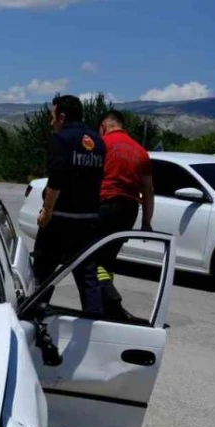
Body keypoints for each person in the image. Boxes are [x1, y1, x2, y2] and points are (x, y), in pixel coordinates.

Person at [33, 95, 108, 315]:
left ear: (62, 117)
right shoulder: (98, 141)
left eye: (52, 117)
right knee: (87, 274)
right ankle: (95, 320)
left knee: (43, 271)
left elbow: (56, 180)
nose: (51, 122)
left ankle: (35, 315)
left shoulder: (61, 139)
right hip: (89, 219)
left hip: (61, 218)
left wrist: (47, 211)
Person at [97, 109, 154, 318]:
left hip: (105, 204)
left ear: (104, 126)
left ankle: (111, 301)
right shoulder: (140, 151)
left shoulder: (102, 145)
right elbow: (148, 190)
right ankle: (106, 308)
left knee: (91, 259)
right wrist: (146, 223)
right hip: (129, 211)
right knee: (108, 258)